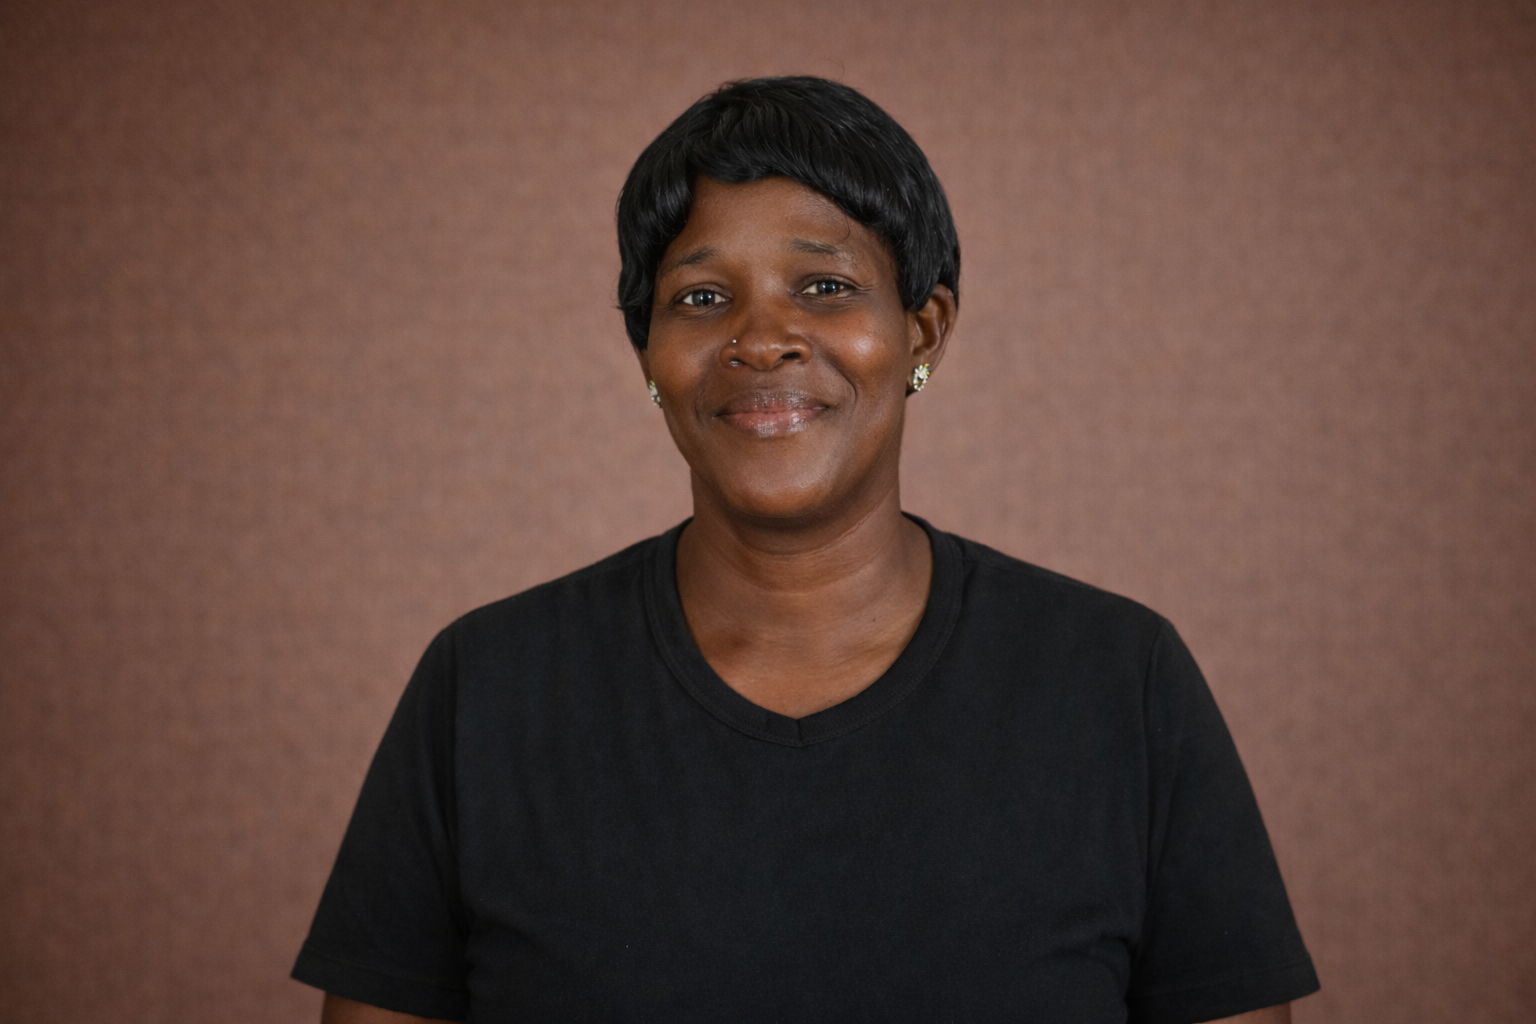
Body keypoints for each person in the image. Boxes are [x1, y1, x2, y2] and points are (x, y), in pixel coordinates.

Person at [293, 76, 1319, 1023]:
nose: (762, 338)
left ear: (924, 331)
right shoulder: (488, 687)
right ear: (647, 355)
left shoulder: (1118, 680)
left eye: (824, 286)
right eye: (702, 298)